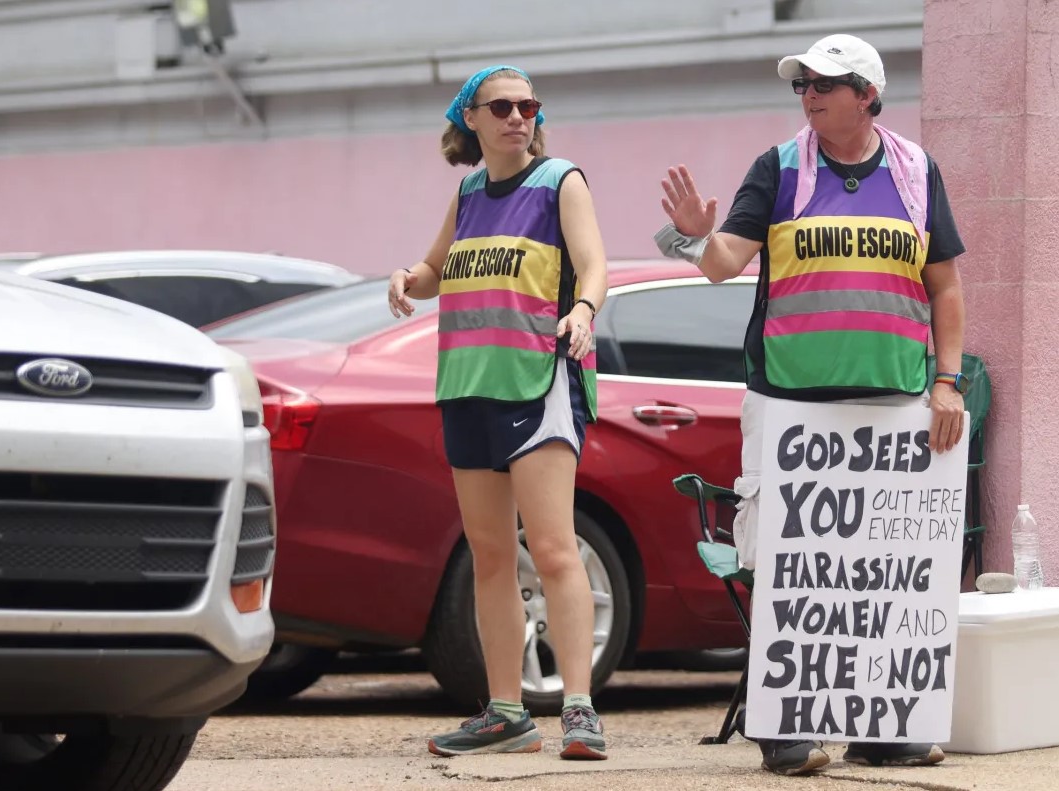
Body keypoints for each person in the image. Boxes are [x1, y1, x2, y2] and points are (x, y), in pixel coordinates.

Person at [654, 34, 966, 776]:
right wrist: (690, 237)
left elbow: (945, 287)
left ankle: (880, 723)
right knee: (784, 561)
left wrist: (946, 380)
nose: (809, 95)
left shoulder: (916, 171)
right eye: (802, 84)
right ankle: (783, 726)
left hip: (891, 402)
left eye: (825, 83)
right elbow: (723, 263)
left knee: (879, 567)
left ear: (867, 94)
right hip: (788, 401)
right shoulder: (779, 167)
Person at [386, 64, 609, 760]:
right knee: (490, 556)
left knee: (553, 549)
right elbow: (433, 271)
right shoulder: (468, 192)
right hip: (467, 385)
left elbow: (593, 264)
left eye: (528, 106)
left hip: (536, 382)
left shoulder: (560, 181)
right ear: (472, 119)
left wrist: (582, 309)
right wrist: (407, 278)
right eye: (503, 107)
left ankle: (579, 709)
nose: (518, 117)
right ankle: (507, 713)